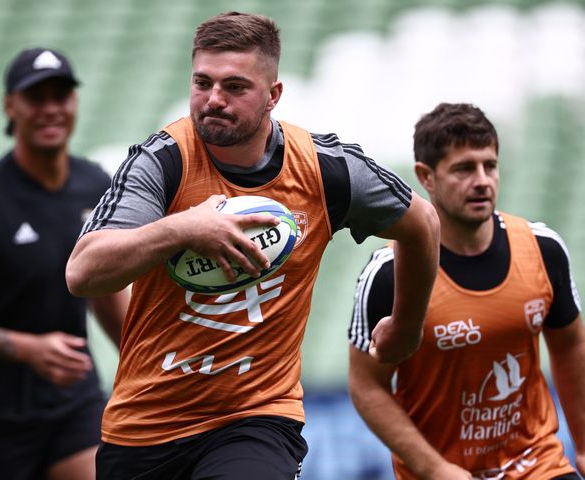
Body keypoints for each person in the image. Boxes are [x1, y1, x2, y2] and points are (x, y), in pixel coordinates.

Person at [65, 11, 440, 480]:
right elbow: (83, 273)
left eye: (235, 87)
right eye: (202, 83)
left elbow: (422, 223)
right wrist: (183, 229)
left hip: (257, 416)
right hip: (144, 426)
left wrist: (407, 326)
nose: (213, 100)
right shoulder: (162, 161)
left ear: (273, 95)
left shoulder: (327, 170)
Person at [348, 102, 585, 479]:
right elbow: (366, 386)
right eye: (463, 168)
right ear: (426, 176)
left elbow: (571, 344)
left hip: (538, 464)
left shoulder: (543, 249)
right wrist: (435, 468)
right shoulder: (389, 273)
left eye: (489, 165)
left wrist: (584, 445)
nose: (482, 180)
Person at [0, 47, 128, 480]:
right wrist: (27, 349)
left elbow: (105, 292)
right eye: (37, 97)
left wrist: (145, 361)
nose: (51, 109)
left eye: (62, 95)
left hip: (73, 400)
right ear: (10, 106)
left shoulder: (96, 186)